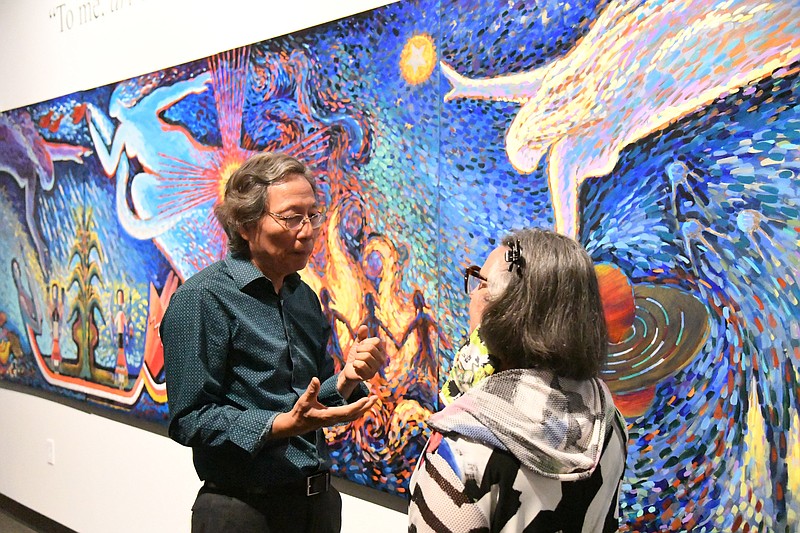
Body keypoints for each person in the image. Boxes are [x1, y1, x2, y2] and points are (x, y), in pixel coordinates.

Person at [161, 152, 387, 533]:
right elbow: (189, 419)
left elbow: (309, 402)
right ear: (246, 225)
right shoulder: (203, 297)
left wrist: (346, 379)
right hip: (243, 510)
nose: (307, 230)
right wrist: (278, 425)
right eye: (291, 217)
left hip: (318, 507)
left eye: (312, 215)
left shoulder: (303, 297)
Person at [408, 228, 628, 532]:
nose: (473, 295)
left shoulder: (463, 447)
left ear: (506, 312)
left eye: (481, 284)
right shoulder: (609, 422)